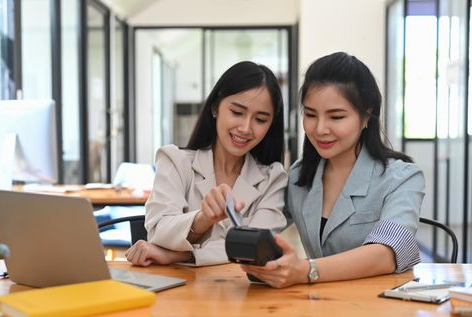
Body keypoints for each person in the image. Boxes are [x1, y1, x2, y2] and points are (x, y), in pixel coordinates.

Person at [242, 52, 425, 288]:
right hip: (318, 308)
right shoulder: (298, 176)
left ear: (367, 116)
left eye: (336, 117)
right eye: (310, 115)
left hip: (379, 310)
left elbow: (387, 253)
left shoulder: (402, 177)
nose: (320, 129)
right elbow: (261, 227)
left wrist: (307, 270)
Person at [125, 61, 287, 266]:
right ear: (215, 108)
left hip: (242, 294)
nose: (246, 128)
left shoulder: (273, 178)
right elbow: (158, 232)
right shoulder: (175, 161)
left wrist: (182, 254)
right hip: (178, 293)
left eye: (260, 119)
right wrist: (203, 218)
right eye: (237, 112)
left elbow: (259, 248)